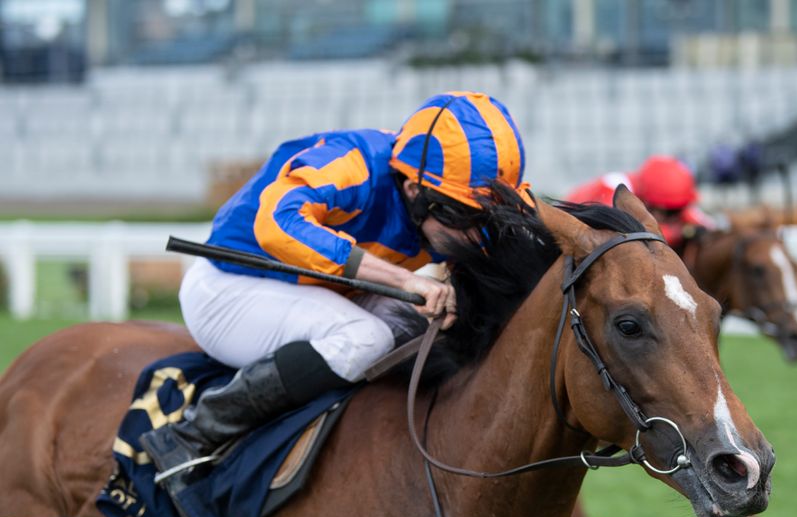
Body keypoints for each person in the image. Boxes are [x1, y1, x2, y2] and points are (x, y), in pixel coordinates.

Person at [139, 91, 533, 495]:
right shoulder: (355, 163)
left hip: (326, 292)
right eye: (465, 216)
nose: (474, 236)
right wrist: (406, 281)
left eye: (485, 218)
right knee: (366, 338)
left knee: (425, 330)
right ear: (415, 191)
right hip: (230, 288)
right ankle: (192, 437)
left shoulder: (439, 193)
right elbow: (278, 220)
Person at [566, 156, 714, 253]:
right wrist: (680, 233)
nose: (675, 216)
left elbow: (704, 223)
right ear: (652, 203)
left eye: (678, 211)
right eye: (670, 212)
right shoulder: (614, 189)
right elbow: (623, 236)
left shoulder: (661, 195)